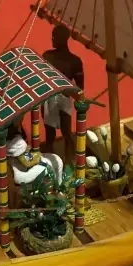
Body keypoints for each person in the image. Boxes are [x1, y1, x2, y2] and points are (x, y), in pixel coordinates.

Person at [41, 26, 84, 163]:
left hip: (50, 98)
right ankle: (67, 162)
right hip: (60, 98)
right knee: (65, 133)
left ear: (60, 39)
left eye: (54, 37)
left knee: (53, 134)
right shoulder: (75, 60)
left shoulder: (47, 56)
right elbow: (80, 87)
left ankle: (56, 161)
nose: (52, 40)